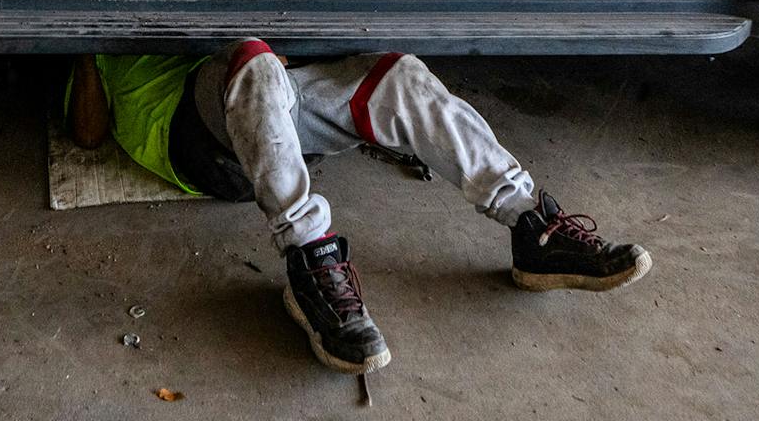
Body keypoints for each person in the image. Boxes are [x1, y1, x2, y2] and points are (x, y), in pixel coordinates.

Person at [67, 41, 650, 375]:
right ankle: (310, 262)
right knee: (256, 65)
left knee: (400, 75)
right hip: (195, 141)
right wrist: (86, 48)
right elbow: (88, 134)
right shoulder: (94, 53)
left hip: (264, 110)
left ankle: (530, 226)